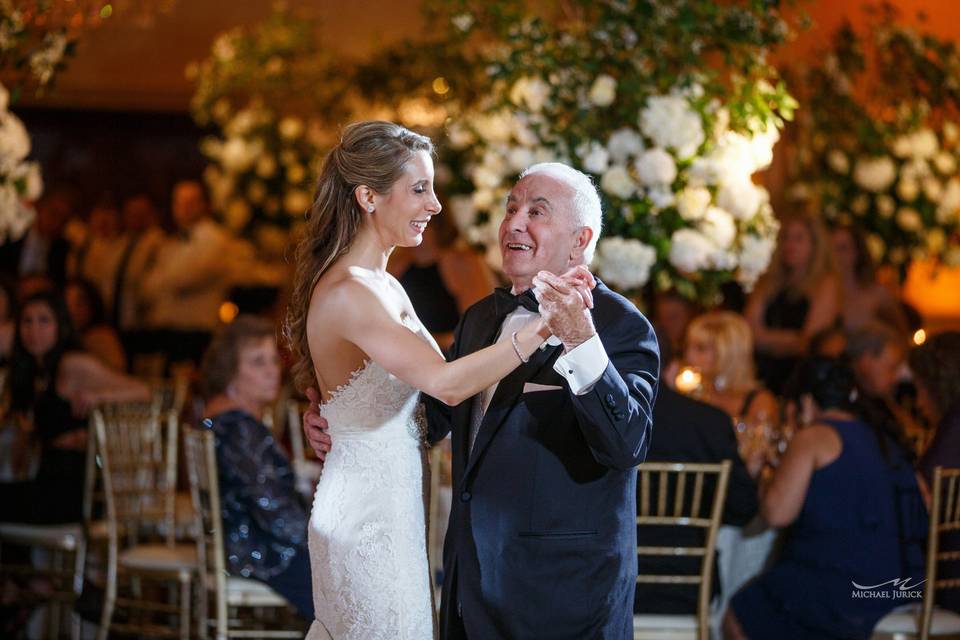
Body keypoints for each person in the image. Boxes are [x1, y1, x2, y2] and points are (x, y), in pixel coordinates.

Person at [298, 134, 660, 637]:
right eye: (511, 208)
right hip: (469, 591)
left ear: (580, 240)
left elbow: (627, 444)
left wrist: (579, 338)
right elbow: (435, 410)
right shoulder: (479, 320)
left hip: (562, 598)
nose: (514, 222)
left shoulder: (621, 326)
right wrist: (340, 417)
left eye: (537, 211)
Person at [724, 358, 928, 640]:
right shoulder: (883, 438)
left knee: (740, 613)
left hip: (844, 587)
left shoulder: (814, 436)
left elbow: (776, 514)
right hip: (902, 583)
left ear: (806, 403)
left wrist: (760, 476)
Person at [199, 315, 313, 621]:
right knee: (356, 589)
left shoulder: (219, 421)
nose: (272, 372)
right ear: (229, 372)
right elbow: (274, 511)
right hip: (265, 555)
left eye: (273, 361)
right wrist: (327, 538)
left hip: (241, 549)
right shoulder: (239, 429)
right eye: (257, 362)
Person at [636, 327, 757, 615]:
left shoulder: (597, 420)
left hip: (613, 584)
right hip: (687, 586)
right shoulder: (710, 422)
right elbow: (744, 510)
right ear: (671, 367)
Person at [0, 290, 149, 524]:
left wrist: (99, 397)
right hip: (46, 481)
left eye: (44, 321)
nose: (34, 330)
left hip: (71, 490)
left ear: (61, 325)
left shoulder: (72, 364)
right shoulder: (35, 372)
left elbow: (143, 391)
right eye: (27, 321)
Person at [141, 180, 241, 364]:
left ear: (204, 205)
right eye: (179, 202)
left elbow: (184, 279)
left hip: (196, 336)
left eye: (190, 202)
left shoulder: (215, 240)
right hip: (167, 334)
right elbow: (148, 287)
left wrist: (164, 278)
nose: (183, 208)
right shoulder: (171, 242)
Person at [746, 214, 840, 395]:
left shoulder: (825, 285)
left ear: (815, 245)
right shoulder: (768, 282)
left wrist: (765, 338)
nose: (790, 245)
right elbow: (748, 331)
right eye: (786, 237)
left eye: (798, 239)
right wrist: (788, 338)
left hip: (798, 378)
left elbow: (808, 342)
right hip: (761, 372)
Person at [684, 311, 779, 474]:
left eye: (700, 349)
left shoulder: (759, 402)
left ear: (728, 353)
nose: (689, 356)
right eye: (688, 346)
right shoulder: (691, 394)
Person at [388, 213, 496, 350]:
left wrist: (426, 343)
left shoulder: (462, 263)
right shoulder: (396, 265)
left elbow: (478, 330)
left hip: (454, 358)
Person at [909, 331, 960, 614]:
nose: (918, 402)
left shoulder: (954, 428)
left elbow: (921, 501)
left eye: (920, 389)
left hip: (947, 584)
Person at [831, 224, 908, 334]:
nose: (836, 255)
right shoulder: (819, 292)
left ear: (857, 252)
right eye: (832, 248)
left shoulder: (878, 294)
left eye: (843, 248)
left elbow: (901, 334)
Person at [65, 278, 127, 371]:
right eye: (67, 303)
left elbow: (116, 372)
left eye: (80, 303)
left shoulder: (100, 336)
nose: (72, 310)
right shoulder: (69, 338)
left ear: (93, 305)